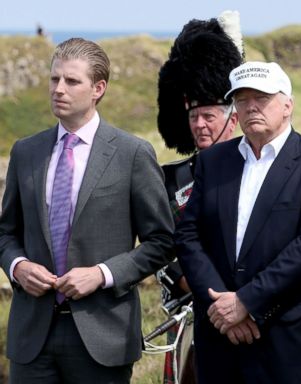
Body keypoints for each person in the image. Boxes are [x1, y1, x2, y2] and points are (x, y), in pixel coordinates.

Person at [0, 37, 174, 384]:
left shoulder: (133, 154)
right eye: (54, 79)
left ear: (98, 88)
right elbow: (5, 232)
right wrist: (18, 267)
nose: (58, 89)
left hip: (103, 336)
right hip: (31, 337)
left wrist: (102, 274)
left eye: (71, 81)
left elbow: (162, 241)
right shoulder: (26, 152)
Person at [175, 60, 301, 384]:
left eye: (261, 99)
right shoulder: (213, 160)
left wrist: (247, 301)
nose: (250, 108)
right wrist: (223, 305)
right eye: (242, 100)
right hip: (218, 336)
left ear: (287, 105)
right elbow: (188, 235)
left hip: (282, 338)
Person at [156, 11, 243, 384]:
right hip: (196, 310)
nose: (199, 125)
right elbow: (161, 249)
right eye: (193, 116)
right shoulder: (170, 179)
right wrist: (208, 291)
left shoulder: (257, 170)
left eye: (208, 115)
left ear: (232, 117)